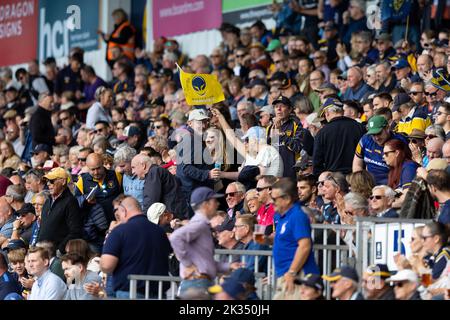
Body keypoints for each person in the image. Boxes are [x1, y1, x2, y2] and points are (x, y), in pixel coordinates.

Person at [169, 187, 236, 296]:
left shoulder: (201, 224)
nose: (218, 204)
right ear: (206, 204)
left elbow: (205, 261)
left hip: (200, 283)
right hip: (198, 284)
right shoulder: (199, 224)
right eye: (214, 201)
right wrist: (187, 263)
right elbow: (175, 237)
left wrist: (229, 266)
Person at [101, 196, 171, 299]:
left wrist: (110, 233)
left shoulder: (119, 231)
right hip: (158, 293)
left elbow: (107, 265)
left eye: (119, 215)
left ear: (124, 211)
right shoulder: (160, 232)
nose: (119, 219)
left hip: (129, 293)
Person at [272, 178, 319, 299]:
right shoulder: (283, 217)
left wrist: (292, 272)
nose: (272, 202)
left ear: (287, 199)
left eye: (274, 199)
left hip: (298, 275)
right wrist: (267, 240)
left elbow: (305, 245)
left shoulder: (297, 215)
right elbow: (287, 241)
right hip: (286, 273)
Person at [313, 98, 365, 175]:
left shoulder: (322, 133)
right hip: (356, 176)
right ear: (342, 111)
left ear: (327, 113)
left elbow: (317, 162)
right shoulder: (359, 127)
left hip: (333, 179)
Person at [266, 96, 314, 178]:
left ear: (290, 109)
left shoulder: (296, 124)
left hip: (292, 173)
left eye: (282, 106)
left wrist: (281, 133)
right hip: (276, 174)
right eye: (276, 107)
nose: (279, 109)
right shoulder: (269, 128)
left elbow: (297, 147)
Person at [38, 168, 82, 254]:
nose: (48, 184)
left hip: (57, 254)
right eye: (47, 181)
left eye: (51, 181)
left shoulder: (70, 201)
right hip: (42, 252)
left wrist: (60, 249)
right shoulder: (47, 201)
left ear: (63, 182)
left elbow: (75, 231)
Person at [353, 115, 408, 185]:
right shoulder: (365, 139)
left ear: (387, 128)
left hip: (391, 186)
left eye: (379, 133)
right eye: (373, 134)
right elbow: (357, 164)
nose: (376, 138)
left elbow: (406, 168)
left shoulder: (400, 141)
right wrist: (359, 183)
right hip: (369, 184)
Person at [131, 154, 187, 220]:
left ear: (143, 165)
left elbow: (151, 201)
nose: (132, 172)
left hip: (172, 218)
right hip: (174, 215)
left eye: (133, 167)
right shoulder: (156, 171)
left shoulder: (154, 172)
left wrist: (143, 219)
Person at [75, 153, 122, 223]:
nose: (96, 172)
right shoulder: (81, 181)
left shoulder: (116, 175)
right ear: (87, 167)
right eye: (93, 169)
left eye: (98, 168)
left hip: (118, 221)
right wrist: (85, 200)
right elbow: (76, 202)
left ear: (103, 164)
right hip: (97, 225)